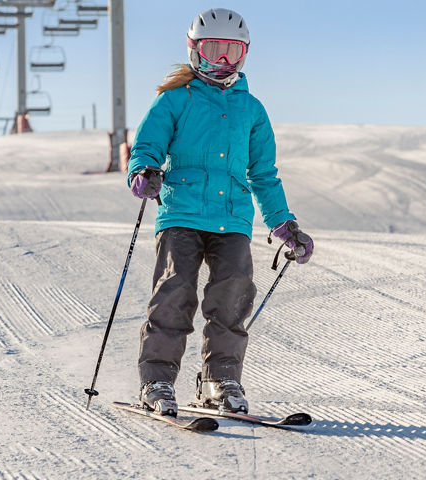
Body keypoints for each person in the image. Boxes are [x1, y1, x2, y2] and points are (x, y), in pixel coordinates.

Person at [126, 8, 314, 416]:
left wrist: (283, 224)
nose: (223, 62)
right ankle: (156, 381)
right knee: (174, 295)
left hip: (234, 218)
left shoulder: (252, 110)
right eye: (214, 51)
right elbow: (146, 147)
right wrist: (142, 172)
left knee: (231, 299)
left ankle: (219, 380)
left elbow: (263, 174)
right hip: (181, 213)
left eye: (232, 52)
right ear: (195, 50)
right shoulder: (175, 99)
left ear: (244, 55)